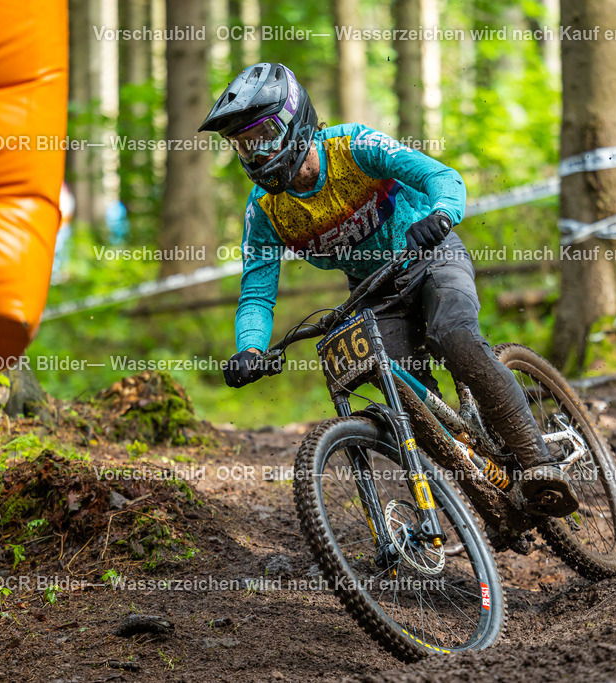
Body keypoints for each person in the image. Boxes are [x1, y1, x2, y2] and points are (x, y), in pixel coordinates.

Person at [199, 62, 577, 517]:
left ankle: (540, 463)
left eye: (261, 137)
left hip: (432, 255)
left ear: (294, 120)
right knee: (407, 396)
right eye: (243, 145)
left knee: (454, 336)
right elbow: (257, 292)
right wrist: (251, 349)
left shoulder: (353, 146)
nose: (255, 154)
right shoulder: (264, 211)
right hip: (374, 293)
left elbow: (442, 177)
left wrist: (438, 214)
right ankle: (485, 499)